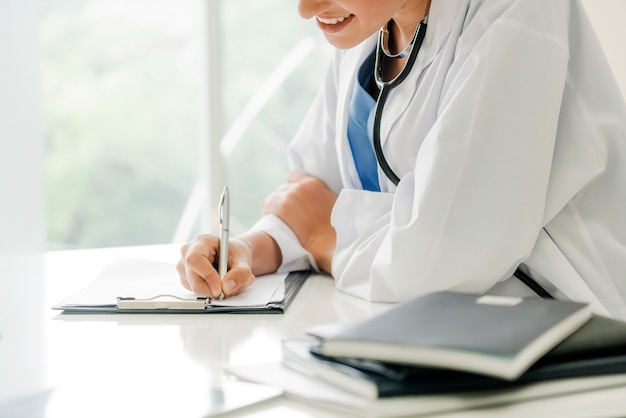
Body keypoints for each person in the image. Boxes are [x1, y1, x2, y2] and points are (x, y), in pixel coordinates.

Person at [177, 0, 626, 320]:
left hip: (568, 336)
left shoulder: (518, 13)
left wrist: (321, 232)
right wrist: (249, 252)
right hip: (428, 331)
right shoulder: (368, 28)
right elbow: (310, 190)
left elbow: (446, 259)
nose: (306, 7)